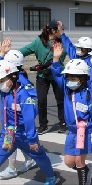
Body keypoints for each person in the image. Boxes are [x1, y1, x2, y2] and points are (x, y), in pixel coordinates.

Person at [51, 43, 92, 185]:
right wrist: (56, 59)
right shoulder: (67, 90)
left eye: (73, 78)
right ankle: (87, 170)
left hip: (85, 131)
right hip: (72, 132)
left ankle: (84, 179)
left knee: (79, 161)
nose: (69, 81)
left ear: (83, 79)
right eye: (68, 78)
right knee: (69, 162)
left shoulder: (91, 97)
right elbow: (58, 75)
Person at [0, 60, 59, 185]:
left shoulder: (24, 96)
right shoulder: (4, 92)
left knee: (40, 157)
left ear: (13, 77)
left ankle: (51, 177)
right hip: (8, 134)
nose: (1, 84)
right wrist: (1, 55)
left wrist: (32, 140)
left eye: (2, 81)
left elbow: (28, 120)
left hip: (25, 136)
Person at [19, 20, 67, 135]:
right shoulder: (38, 42)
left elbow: (70, 52)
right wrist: (8, 55)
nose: (62, 31)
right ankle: (43, 125)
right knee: (41, 101)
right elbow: (22, 51)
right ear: (53, 30)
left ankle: (63, 123)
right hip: (42, 75)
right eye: (60, 29)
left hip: (57, 74)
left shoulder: (62, 41)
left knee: (61, 100)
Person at [0, 39, 37, 178]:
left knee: (10, 141)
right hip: (11, 117)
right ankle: (29, 159)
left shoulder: (19, 81)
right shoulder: (15, 75)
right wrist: (2, 53)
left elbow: (31, 98)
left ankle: (11, 168)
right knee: (19, 141)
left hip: (14, 119)